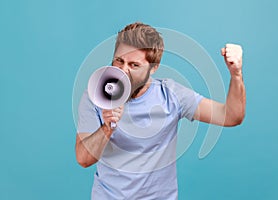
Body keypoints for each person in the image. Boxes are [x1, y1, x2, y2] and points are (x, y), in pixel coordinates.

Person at [75, 22, 246, 199]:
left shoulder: (172, 95)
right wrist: (107, 127)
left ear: (153, 67)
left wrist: (236, 75)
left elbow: (232, 117)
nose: (123, 70)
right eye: (119, 60)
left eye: (134, 65)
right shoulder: (94, 96)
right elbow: (83, 159)